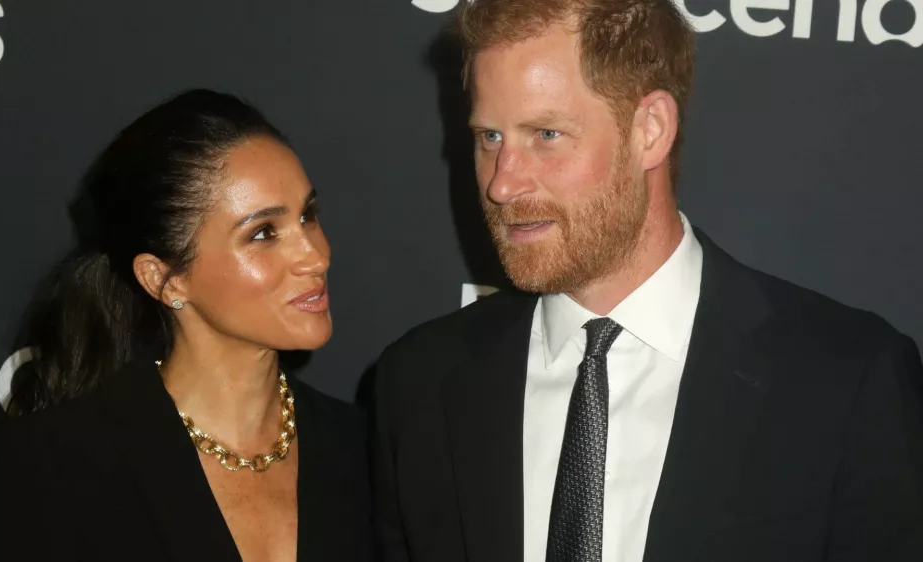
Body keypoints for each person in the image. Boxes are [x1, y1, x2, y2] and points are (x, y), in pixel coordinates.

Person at [369, 1, 923, 561]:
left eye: (545, 134)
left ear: (650, 131)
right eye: (490, 137)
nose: (502, 185)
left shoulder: (847, 383)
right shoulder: (418, 385)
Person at [0, 89, 373, 562]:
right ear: (164, 279)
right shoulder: (60, 461)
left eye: (308, 215)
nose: (315, 255)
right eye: (263, 233)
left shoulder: (366, 451)